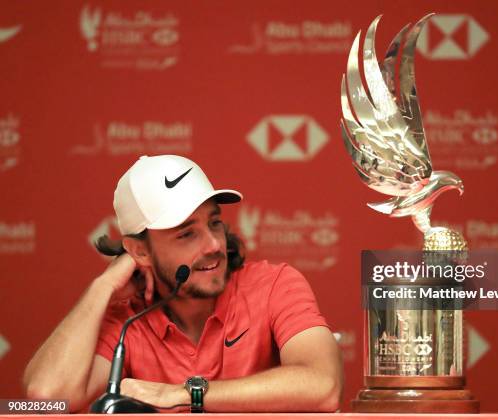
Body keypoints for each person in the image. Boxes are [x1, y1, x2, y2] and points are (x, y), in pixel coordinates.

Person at [23, 155, 343, 413]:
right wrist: (102, 287)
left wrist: (184, 393)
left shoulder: (274, 284)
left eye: (214, 223)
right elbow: (44, 399)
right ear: (140, 251)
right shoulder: (125, 318)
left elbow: (323, 385)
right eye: (187, 233)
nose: (214, 244)